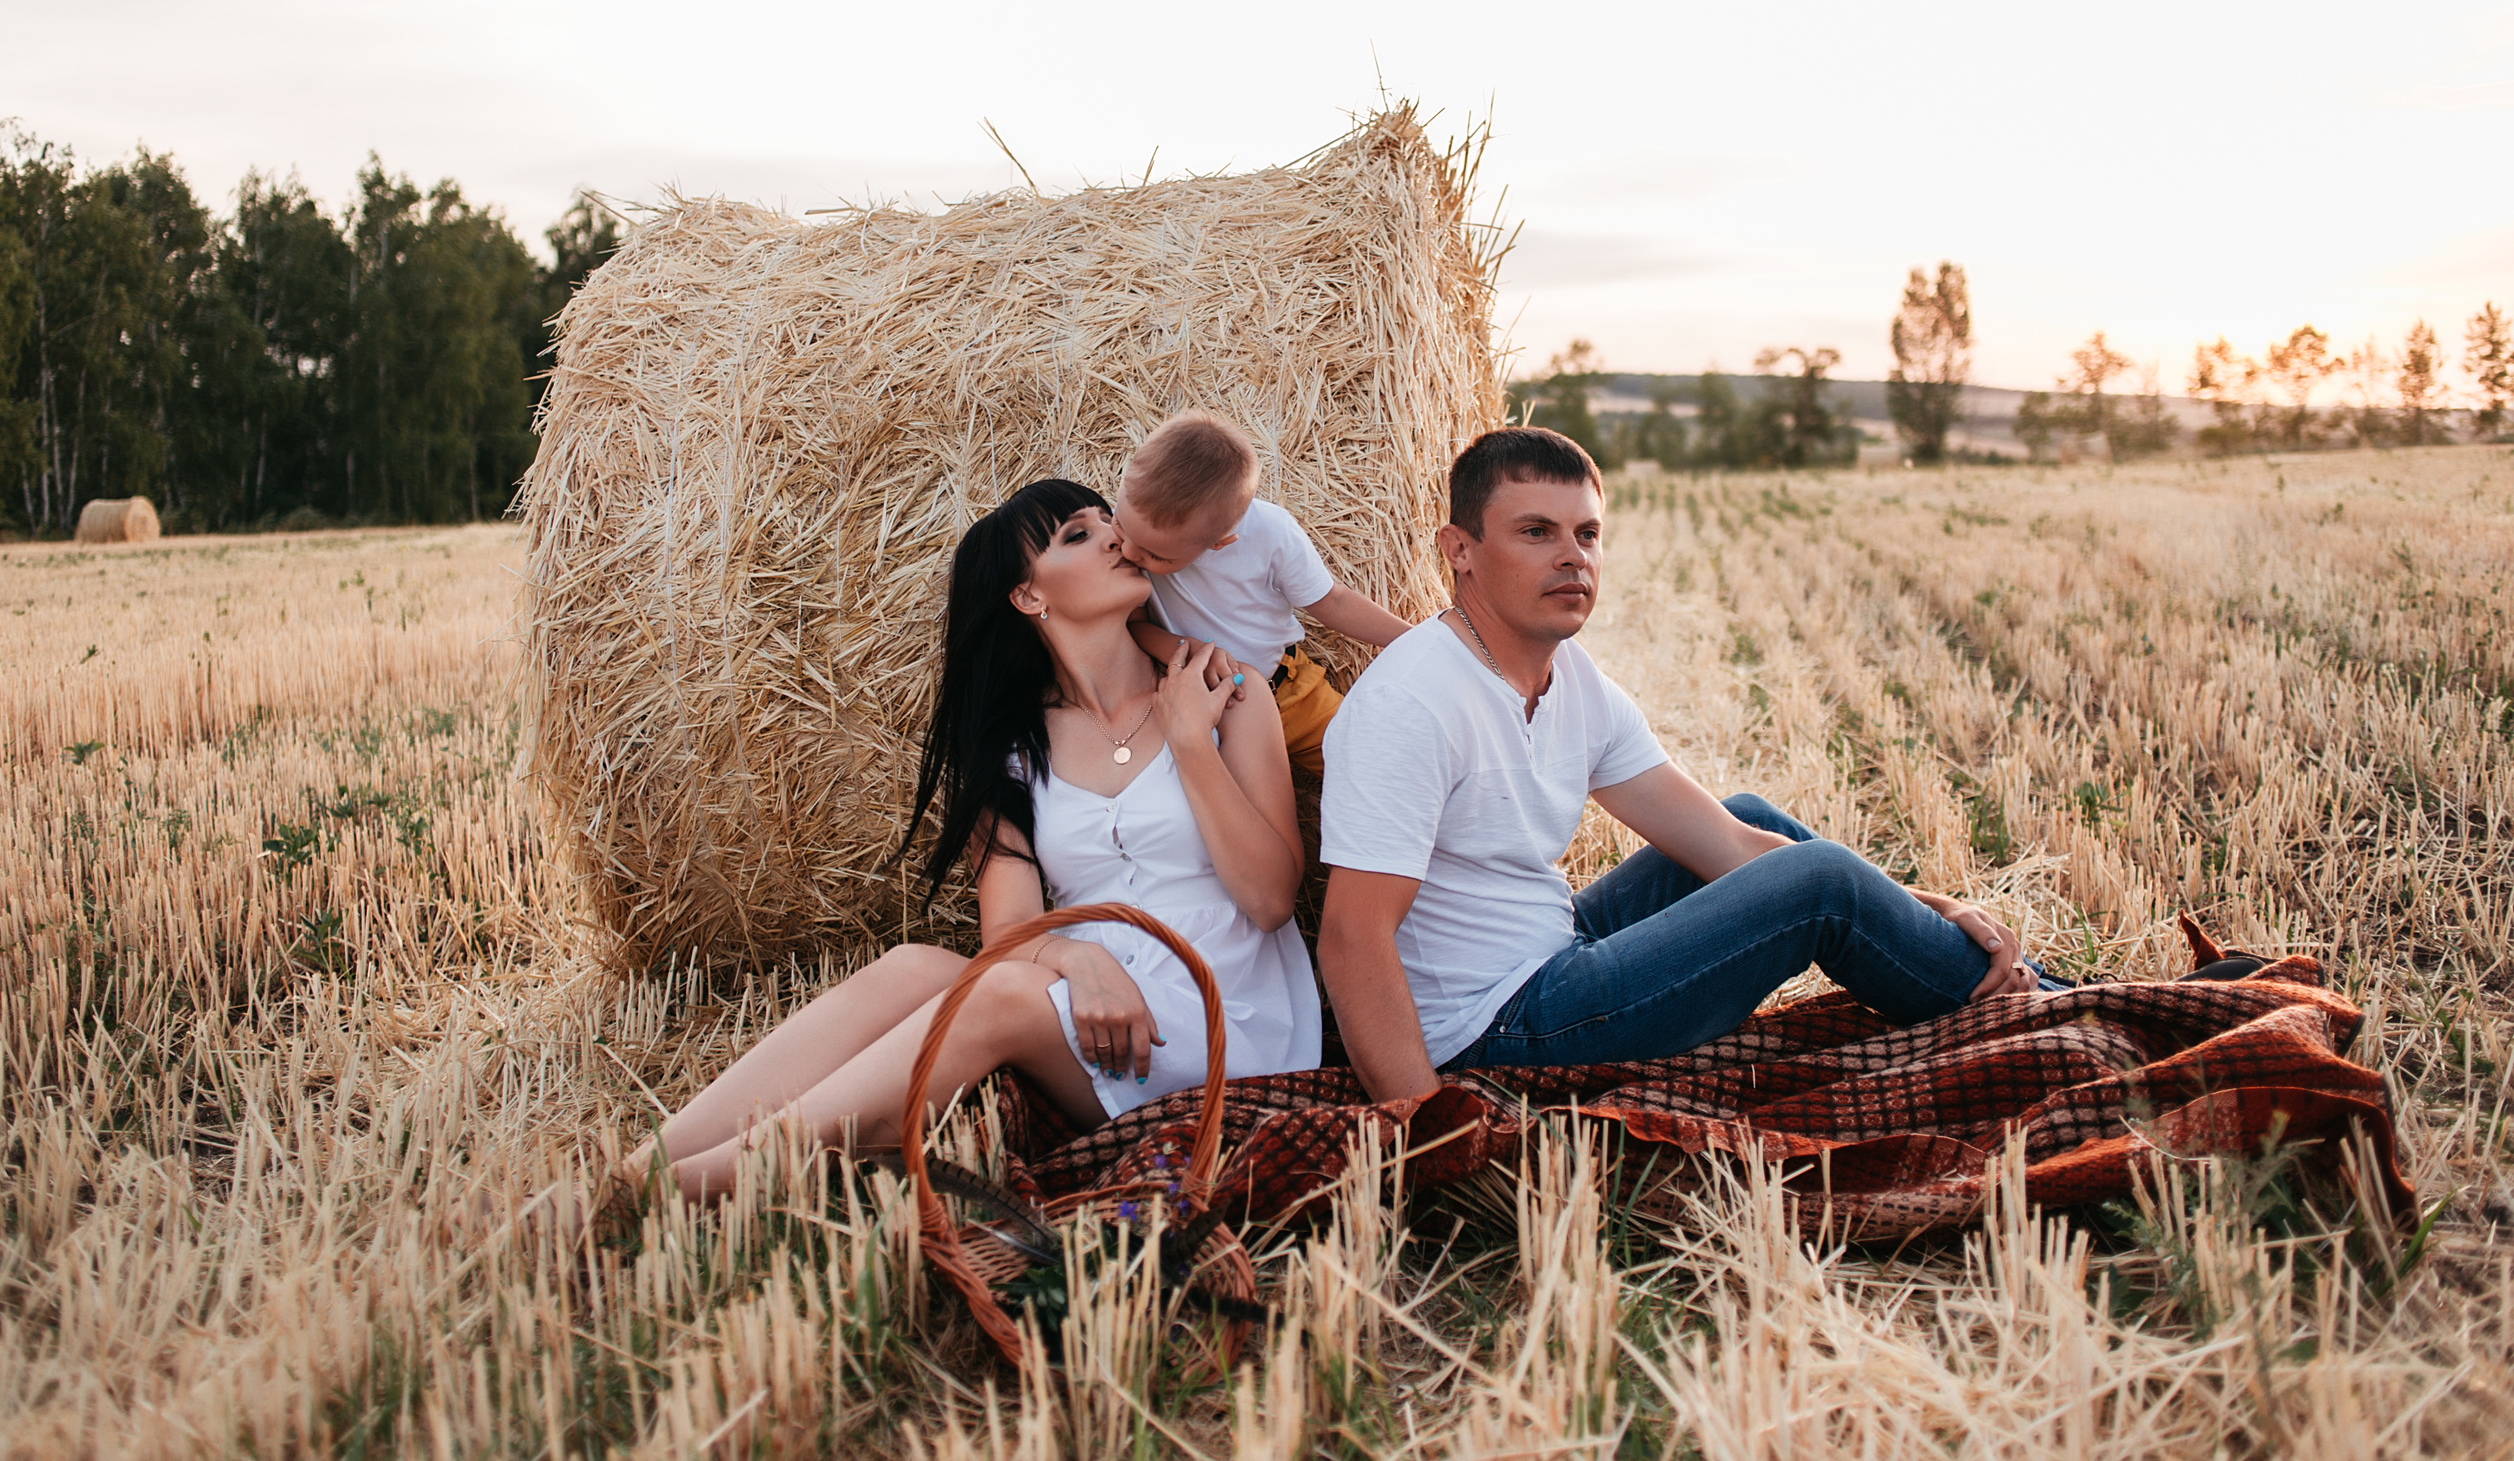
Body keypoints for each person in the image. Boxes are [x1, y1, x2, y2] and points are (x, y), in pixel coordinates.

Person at [617, 480, 1321, 1205]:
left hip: (1227, 1019)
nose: (1116, 536)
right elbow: (1009, 930)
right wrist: (1076, 956)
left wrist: (1189, 743)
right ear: (1028, 597)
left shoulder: (1225, 689)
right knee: (911, 968)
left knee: (1000, 990)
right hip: (1104, 1018)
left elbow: (1270, 900)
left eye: (1109, 520)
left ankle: (677, 1187)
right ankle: (643, 1162)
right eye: (1078, 535)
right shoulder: (1014, 747)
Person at [1315, 426, 2052, 1103]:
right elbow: (1353, 938)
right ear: (1460, 549)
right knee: (1817, 880)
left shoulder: (1573, 680)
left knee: (1753, 820)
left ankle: (1997, 978)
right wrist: (1423, 1126)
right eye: (1536, 532)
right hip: (1493, 1031)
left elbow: (1729, 846)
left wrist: (1925, 903)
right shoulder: (1412, 701)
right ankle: (2036, 1005)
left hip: (1551, 947)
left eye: (1588, 533)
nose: (1573, 555)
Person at [1112, 410, 1411, 777]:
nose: (1128, 553)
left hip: (1288, 694)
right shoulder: (1134, 527)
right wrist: (1185, 649)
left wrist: (1415, 640)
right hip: (1198, 713)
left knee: (1377, 767)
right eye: (1120, 525)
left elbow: (1333, 601)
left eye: (1155, 555)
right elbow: (1134, 624)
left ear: (1220, 543)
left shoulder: (1272, 534)